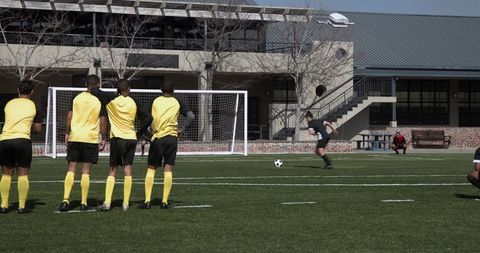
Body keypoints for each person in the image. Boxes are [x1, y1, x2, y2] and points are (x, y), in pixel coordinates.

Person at [93, 79, 151, 212]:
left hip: (118, 139)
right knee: (128, 169)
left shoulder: (111, 100)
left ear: (117, 90)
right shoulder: (134, 102)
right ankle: (125, 203)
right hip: (131, 138)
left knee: (113, 170)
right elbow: (149, 118)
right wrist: (139, 133)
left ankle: (107, 202)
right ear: (129, 89)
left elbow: (95, 90)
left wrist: (97, 85)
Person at [138, 81, 194, 209]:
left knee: (151, 168)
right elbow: (191, 116)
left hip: (158, 138)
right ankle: (164, 201)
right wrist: (182, 130)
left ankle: (147, 201)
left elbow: (143, 115)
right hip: (172, 139)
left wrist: (146, 132)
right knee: (168, 169)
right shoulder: (177, 102)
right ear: (173, 90)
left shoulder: (155, 101)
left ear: (160, 89)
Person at [58, 74, 107, 212]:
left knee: (71, 169)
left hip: (75, 137)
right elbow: (102, 120)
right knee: (86, 171)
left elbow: (69, 117)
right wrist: (104, 137)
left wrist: (67, 133)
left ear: (86, 84)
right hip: (90, 138)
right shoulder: (98, 100)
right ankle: (84, 202)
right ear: (98, 85)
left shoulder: (77, 98)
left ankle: (65, 200)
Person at [0, 80, 42, 214]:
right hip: (22, 140)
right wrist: (31, 131)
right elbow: (38, 128)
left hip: (5, 139)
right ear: (32, 92)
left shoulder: (9, 103)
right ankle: (22, 206)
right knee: (23, 173)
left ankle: (4, 205)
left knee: (6, 173)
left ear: (18, 90)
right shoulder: (33, 105)